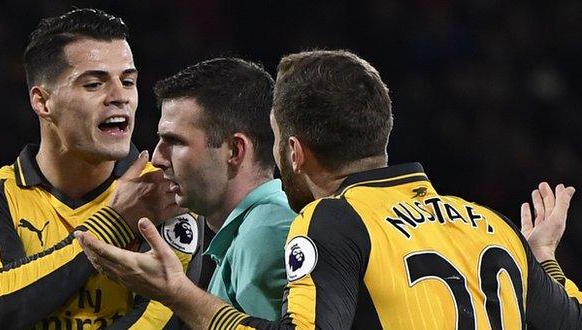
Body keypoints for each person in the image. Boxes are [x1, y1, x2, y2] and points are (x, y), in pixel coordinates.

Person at [76, 50, 582, 329]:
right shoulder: (492, 225)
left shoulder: (334, 220)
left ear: (293, 153)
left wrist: (179, 294)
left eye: (275, 143)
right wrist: (543, 258)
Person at [0, 8, 199, 329]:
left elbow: (160, 320)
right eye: (94, 84)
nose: (120, 97)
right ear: (43, 102)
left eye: (128, 81)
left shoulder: (165, 194)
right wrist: (112, 223)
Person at [149, 57, 296, 319]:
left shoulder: (266, 234)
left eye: (174, 141)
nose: (157, 158)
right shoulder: (250, 230)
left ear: (234, 150)